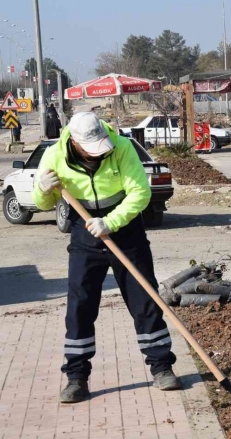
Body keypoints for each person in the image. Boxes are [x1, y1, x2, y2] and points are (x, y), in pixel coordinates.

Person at [32, 112, 179, 403]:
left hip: (126, 232)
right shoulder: (54, 156)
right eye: (91, 146)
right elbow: (42, 203)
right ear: (74, 141)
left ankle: (162, 368)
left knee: (145, 300)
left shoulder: (121, 147)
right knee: (80, 306)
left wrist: (110, 222)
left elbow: (140, 193)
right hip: (85, 235)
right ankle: (76, 378)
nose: (100, 150)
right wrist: (43, 189)